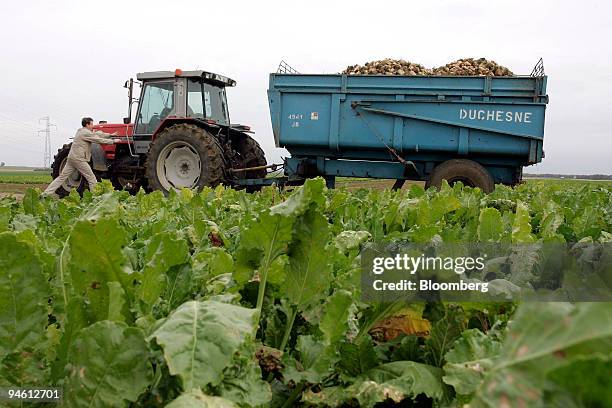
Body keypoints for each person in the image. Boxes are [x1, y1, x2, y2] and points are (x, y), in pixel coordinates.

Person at [42, 117, 117, 197]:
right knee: (91, 178)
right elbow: (98, 140)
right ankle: (95, 198)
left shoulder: (80, 131)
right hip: (79, 160)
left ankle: (45, 194)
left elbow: (96, 134)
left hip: (71, 159)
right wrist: (113, 141)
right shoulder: (86, 133)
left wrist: (110, 135)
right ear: (87, 124)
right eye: (92, 124)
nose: (93, 125)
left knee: (62, 178)